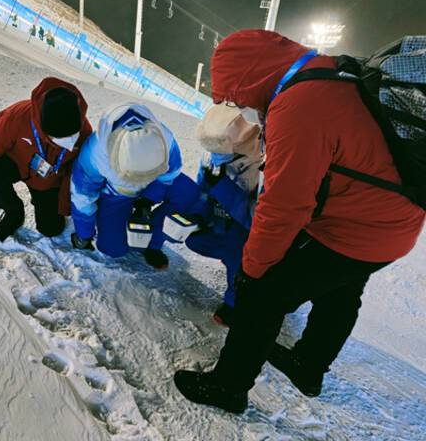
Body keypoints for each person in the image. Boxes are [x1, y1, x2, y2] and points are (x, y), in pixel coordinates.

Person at [174, 29, 425, 414]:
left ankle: (228, 387)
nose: (241, 107)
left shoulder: (299, 105)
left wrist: (254, 271)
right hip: (397, 225)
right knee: (341, 291)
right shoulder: (331, 70)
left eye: (235, 96)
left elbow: (283, 207)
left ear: (249, 77)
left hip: (356, 229)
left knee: (264, 297)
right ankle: (309, 366)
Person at [70, 103, 199, 269]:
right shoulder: (94, 153)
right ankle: (120, 226)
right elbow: (83, 196)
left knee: (189, 194)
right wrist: (84, 233)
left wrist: (148, 200)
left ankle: (153, 242)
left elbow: (170, 173)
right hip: (118, 193)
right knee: (112, 249)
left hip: (156, 182)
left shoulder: (164, 137)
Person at [0, 77, 92, 242]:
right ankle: (14, 212)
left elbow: (73, 174)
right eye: (59, 140)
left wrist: (62, 206)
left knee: (50, 229)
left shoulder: (85, 134)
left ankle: (41, 202)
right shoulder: (15, 118)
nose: (68, 144)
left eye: (72, 137)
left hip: (48, 179)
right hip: (15, 164)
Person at [185, 103, 263, 327]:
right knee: (192, 237)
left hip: (243, 233)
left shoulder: (264, 168)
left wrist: (224, 188)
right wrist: (198, 211)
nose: (215, 156)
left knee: (239, 254)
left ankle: (235, 303)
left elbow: (257, 220)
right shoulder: (214, 153)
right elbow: (202, 188)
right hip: (220, 222)